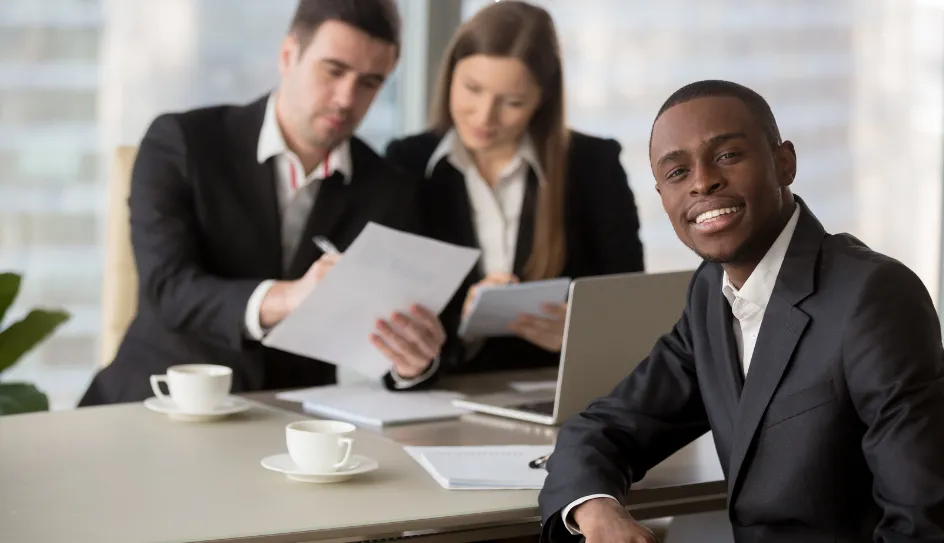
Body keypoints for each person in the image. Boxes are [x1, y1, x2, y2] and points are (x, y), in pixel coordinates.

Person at [538, 80, 944, 542]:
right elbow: (604, 428)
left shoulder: (873, 297)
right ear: (662, 197)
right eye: (678, 172)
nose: (702, 181)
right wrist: (597, 508)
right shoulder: (710, 292)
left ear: (785, 163)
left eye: (726, 156)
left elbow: (926, 525)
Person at [79, 0, 446, 406]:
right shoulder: (183, 142)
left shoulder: (389, 189)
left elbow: (389, 333)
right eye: (334, 71)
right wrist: (289, 297)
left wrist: (411, 364)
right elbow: (169, 288)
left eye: (370, 82)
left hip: (290, 425)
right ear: (288, 55)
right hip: (155, 402)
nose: (347, 98)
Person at [385, 1, 644, 377]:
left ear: (543, 99)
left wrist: (579, 335)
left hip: (557, 393)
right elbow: (393, 312)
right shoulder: (408, 163)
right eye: (472, 89)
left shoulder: (593, 165)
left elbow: (630, 303)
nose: (484, 116)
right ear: (450, 75)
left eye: (512, 102)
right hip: (443, 394)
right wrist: (463, 323)